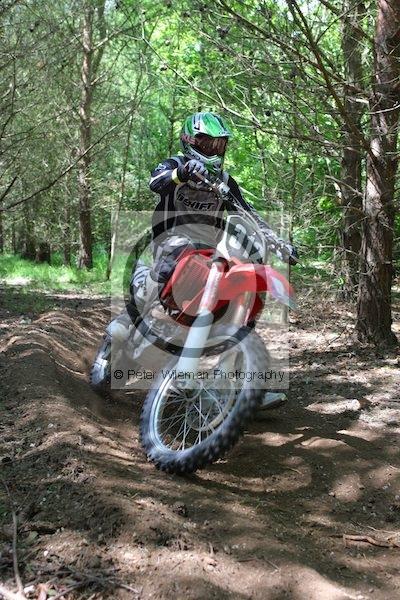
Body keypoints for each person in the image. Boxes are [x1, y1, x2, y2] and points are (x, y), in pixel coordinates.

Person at [107, 112, 297, 408]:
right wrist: (181, 174)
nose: (214, 150)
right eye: (207, 144)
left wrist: (278, 242)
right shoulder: (175, 164)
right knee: (177, 252)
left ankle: (239, 387)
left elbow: (248, 213)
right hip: (171, 239)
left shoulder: (225, 181)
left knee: (237, 300)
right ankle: (133, 306)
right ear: (190, 142)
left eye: (219, 145)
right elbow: (155, 182)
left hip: (208, 252)